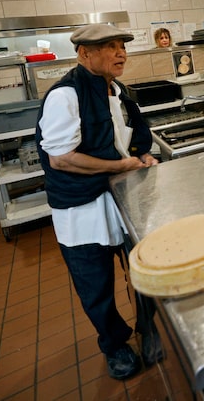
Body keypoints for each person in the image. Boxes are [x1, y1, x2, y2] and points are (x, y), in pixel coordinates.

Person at [36, 24, 163, 381]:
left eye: (122, 46)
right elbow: (61, 158)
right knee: (96, 286)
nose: (120, 52)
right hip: (81, 208)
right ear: (83, 53)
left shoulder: (118, 90)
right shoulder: (65, 96)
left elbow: (134, 136)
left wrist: (141, 156)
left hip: (123, 197)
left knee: (142, 269)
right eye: (109, 46)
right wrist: (121, 165)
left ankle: (149, 329)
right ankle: (115, 345)